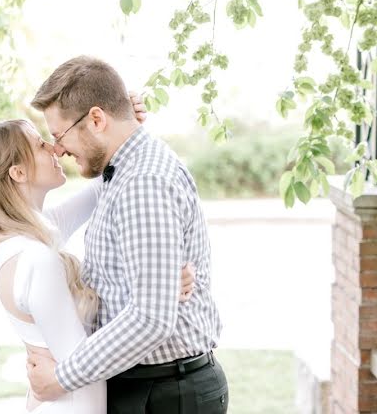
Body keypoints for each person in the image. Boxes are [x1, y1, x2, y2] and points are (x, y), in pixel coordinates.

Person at [0, 97, 197, 413]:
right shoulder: (36, 258)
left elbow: (108, 182)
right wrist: (159, 296)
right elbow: (83, 376)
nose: (55, 149)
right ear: (18, 172)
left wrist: (121, 130)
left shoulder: (22, 235)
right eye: (40, 145)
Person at [26, 56, 227, 414]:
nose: (58, 149)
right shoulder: (119, 172)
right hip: (147, 386)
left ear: (97, 119)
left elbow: (150, 319)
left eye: (59, 136)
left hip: (163, 394)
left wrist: (61, 378)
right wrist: (154, 282)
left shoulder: (142, 182)